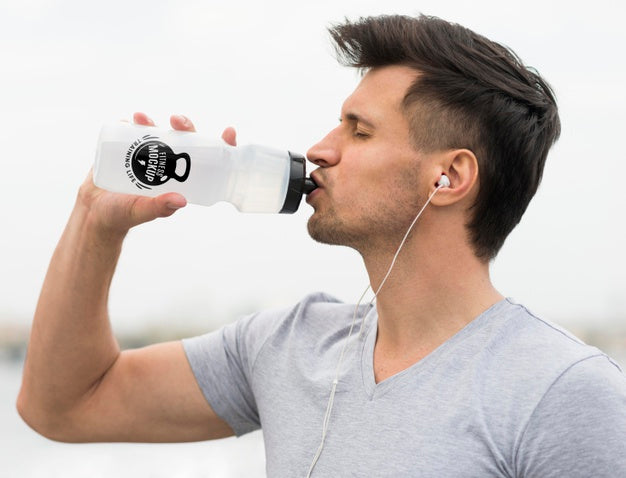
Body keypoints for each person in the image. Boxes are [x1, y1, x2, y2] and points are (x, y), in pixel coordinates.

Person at [17, 14, 626, 477]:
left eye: (358, 131)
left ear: (449, 178)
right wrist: (96, 223)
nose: (319, 149)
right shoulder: (286, 346)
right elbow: (62, 405)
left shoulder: (564, 391)